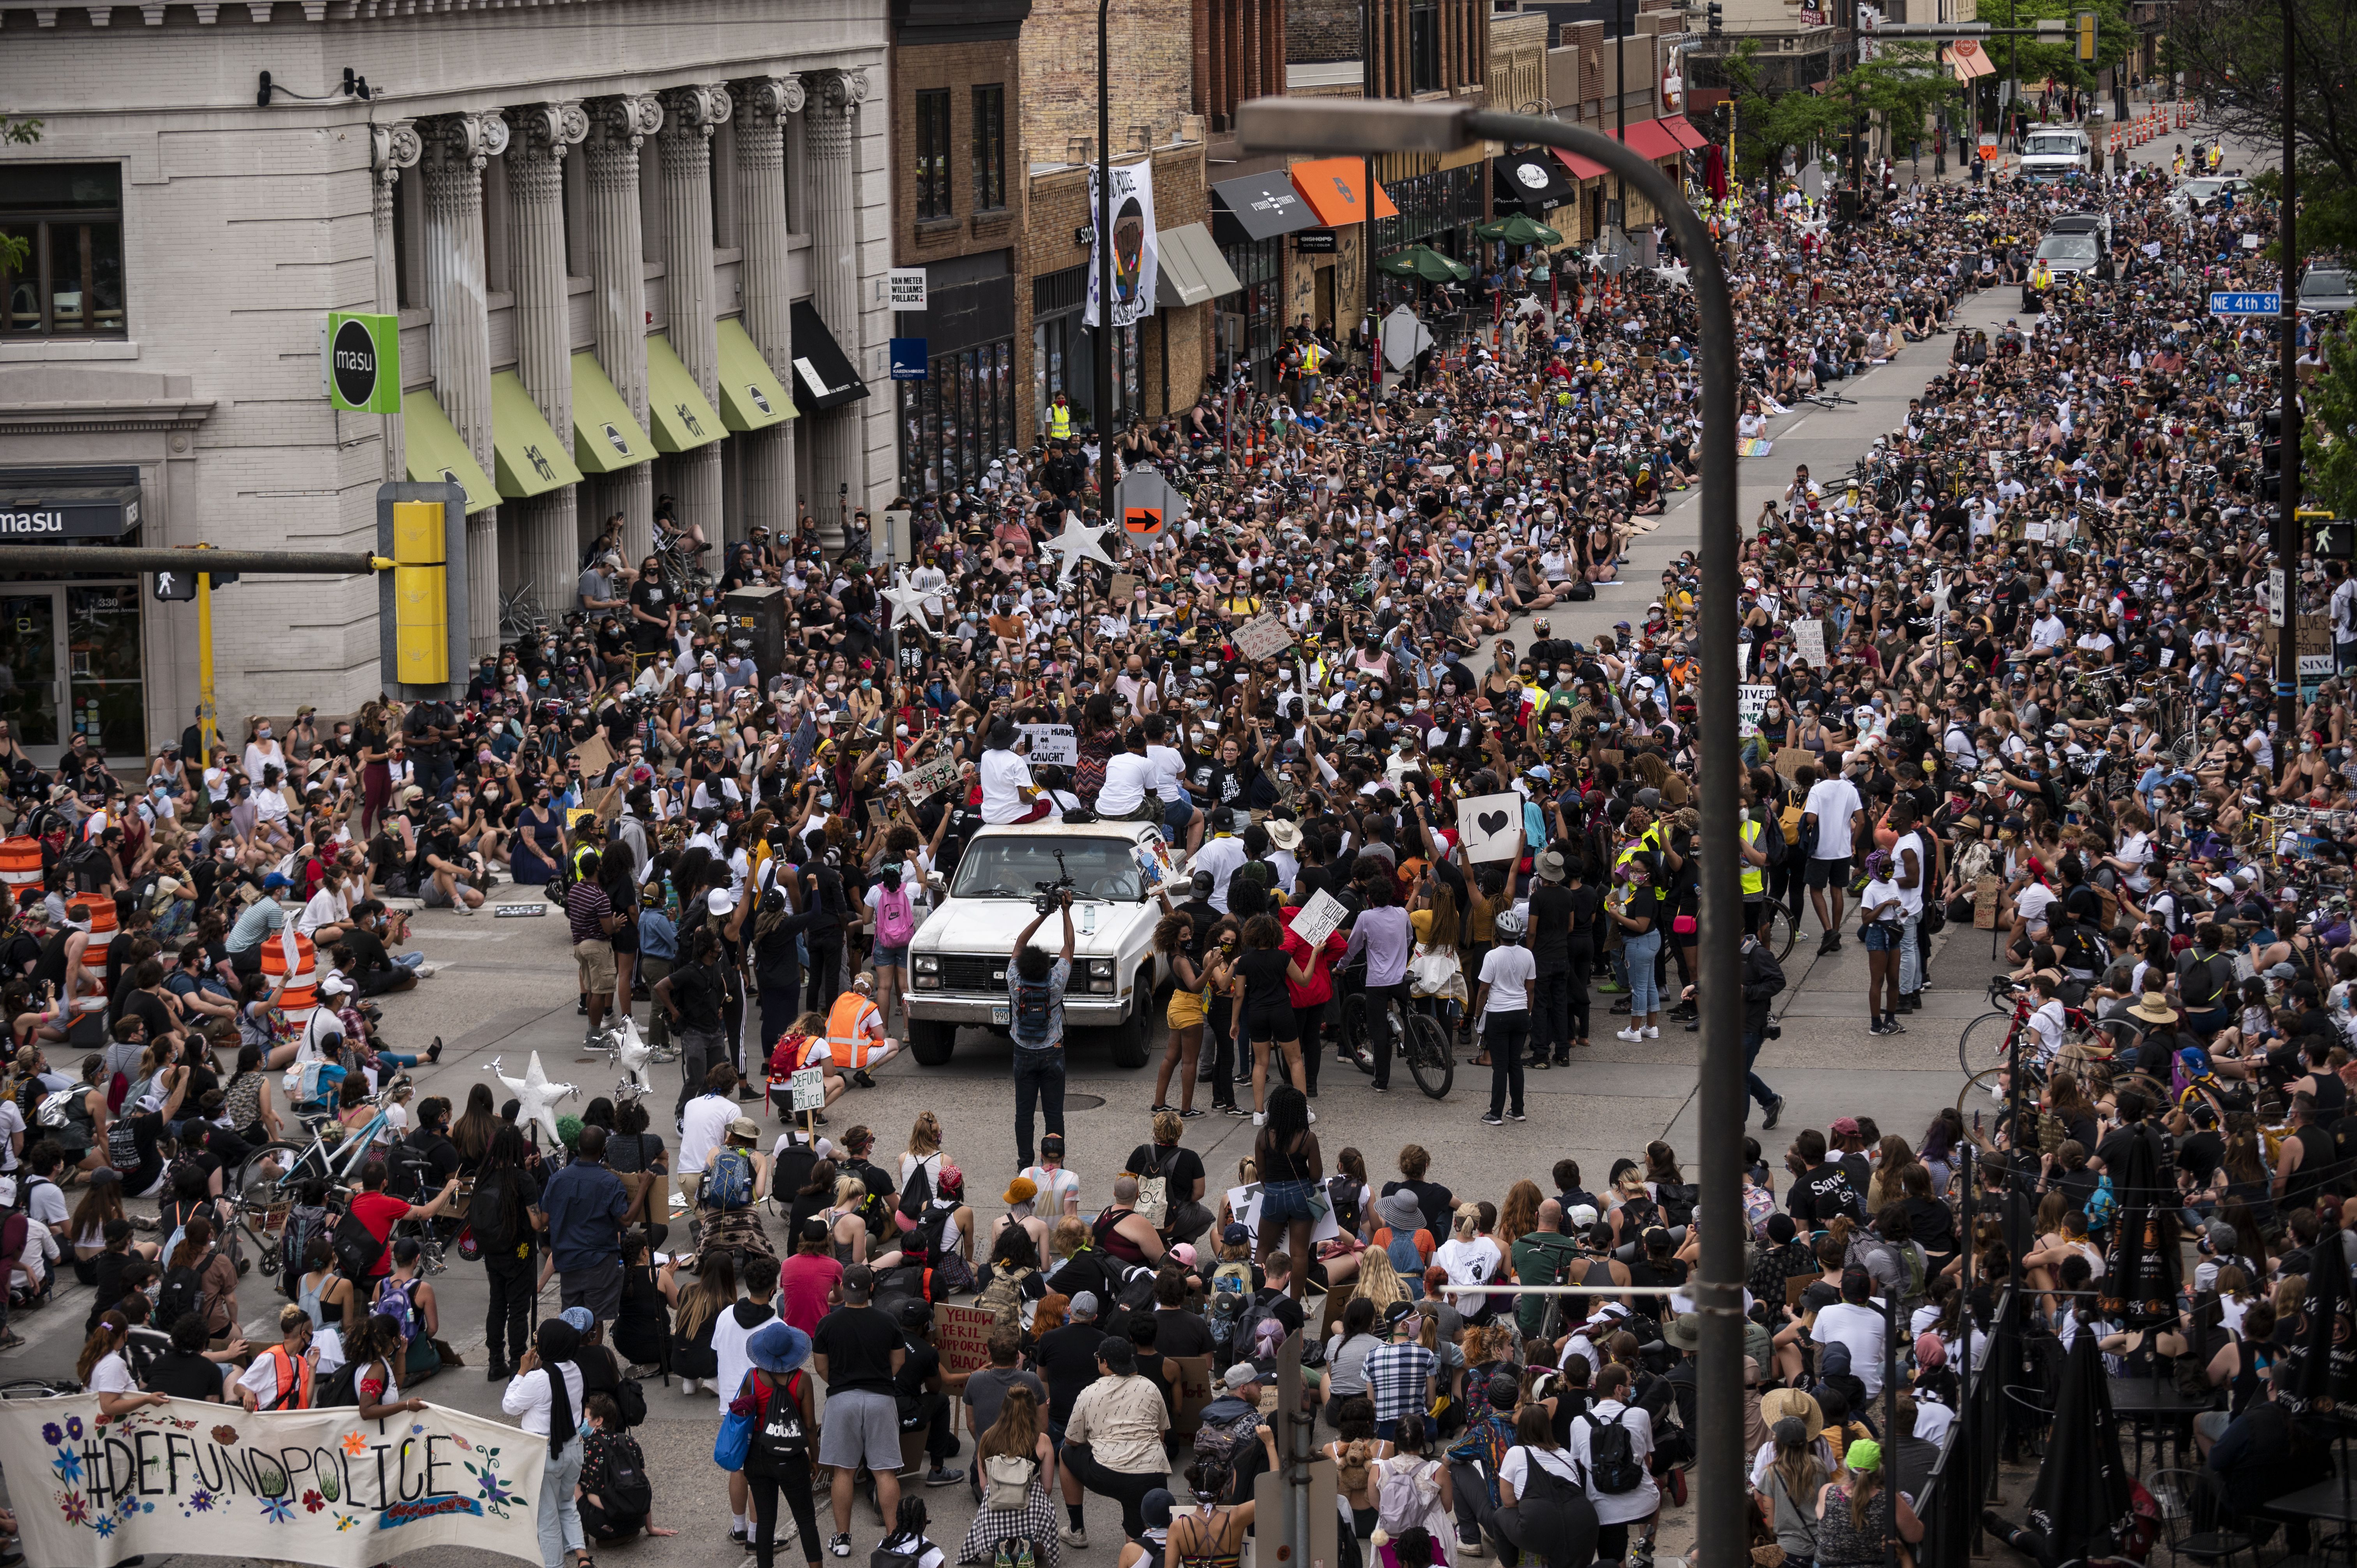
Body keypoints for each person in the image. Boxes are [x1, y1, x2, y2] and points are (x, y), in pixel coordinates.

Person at [812, 1263, 908, 1558]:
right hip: (881, 1399)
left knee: (843, 1471)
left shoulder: (828, 1324)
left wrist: (842, 1383)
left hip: (842, 1400)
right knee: (884, 1471)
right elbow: (898, 1362)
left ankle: (842, 1539)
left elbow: (821, 1367)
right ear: (871, 1288)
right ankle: (893, 1537)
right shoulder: (888, 1321)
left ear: (842, 1289)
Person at [1059, 1333, 1171, 1546]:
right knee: (1138, 1545)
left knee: (1065, 1455)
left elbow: (1071, 1441)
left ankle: (1077, 1529)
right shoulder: (1150, 1387)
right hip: (1150, 1474)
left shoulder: (1089, 1393)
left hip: (1107, 1473)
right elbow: (1161, 1435)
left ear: (1105, 1362)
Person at [504, 1316, 591, 1568]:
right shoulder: (577, 1370)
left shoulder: (538, 1379)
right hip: (574, 1448)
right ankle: (582, 1557)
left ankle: (555, 1565)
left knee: (547, 1518)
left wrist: (521, 1372)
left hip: (546, 1453)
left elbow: (510, 1406)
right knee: (566, 1503)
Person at [736, 1318, 823, 1568]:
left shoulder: (752, 1378)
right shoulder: (801, 1380)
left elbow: (743, 1417)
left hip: (758, 1456)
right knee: (806, 1519)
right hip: (792, 1458)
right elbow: (809, 1426)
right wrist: (814, 1458)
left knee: (765, 1521)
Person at [1008, 890, 1076, 1168]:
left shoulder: (1015, 981)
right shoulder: (1056, 981)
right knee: (1054, 1112)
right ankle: (1055, 1160)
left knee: (1024, 1113)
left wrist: (1042, 915)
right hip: (1053, 1052)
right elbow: (1070, 947)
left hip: (1023, 1051)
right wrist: (1065, 912)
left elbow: (1019, 944)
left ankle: (1025, 1163)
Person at [541, 1123, 630, 1322]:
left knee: (572, 1321)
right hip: (599, 1262)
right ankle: (592, 1353)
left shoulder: (557, 1179)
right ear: (603, 1149)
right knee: (594, 1323)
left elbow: (544, 1219)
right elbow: (627, 1219)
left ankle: (574, 1353)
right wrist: (643, 1188)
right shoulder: (610, 1182)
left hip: (568, 1261)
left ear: (579, 1148)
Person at [1474, 909, 1535, 1126]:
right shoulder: (1528, 955)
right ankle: (1518, 1110)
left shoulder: (1492, 956)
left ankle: (1495, 1113)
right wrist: (1528, 1013)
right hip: (1520, 1014)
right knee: (1515, 1063)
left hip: (1498, 1015)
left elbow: (1483, 990)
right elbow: (1530, 990)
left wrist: (1478, 1014)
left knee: (1500, 1066)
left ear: (1498, 933)